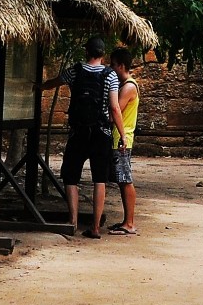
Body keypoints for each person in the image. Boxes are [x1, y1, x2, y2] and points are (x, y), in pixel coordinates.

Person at [48, 36, 118, 238]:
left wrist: (41, 87)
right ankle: (95, 228)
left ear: (86, 52)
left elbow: (55, 81)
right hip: (101, 132)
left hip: (78, 131)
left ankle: (73, 221)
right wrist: (121, 133)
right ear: (103, 54)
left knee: (70, 177)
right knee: (99, 179)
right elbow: (114, 107)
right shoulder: (110, 75)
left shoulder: (74, 71)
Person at [107, 47, 140, 235]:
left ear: (120, 65)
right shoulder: (127, 85)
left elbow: (115, 111)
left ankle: (129, 223)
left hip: (122, 139)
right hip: (121, 138)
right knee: (122, 180)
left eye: (113, 65)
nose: (111, 69)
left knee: (126, 179)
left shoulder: (128, 87)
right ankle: (126, 221)